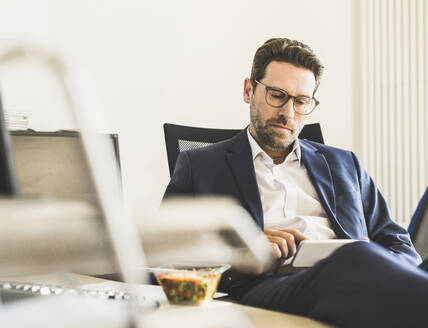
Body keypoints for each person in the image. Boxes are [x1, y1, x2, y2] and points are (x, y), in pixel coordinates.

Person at [164, 38, 428, 328]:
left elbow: (401, 245)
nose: (288, 113)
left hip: (359, 279)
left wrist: (377, 261)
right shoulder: (199, 165)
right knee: (352, 259)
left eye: (302, 102)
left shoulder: (344, 164)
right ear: (248, 90)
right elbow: (166, 258)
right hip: (267, 287)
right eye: (277, 95)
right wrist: (242, 257)